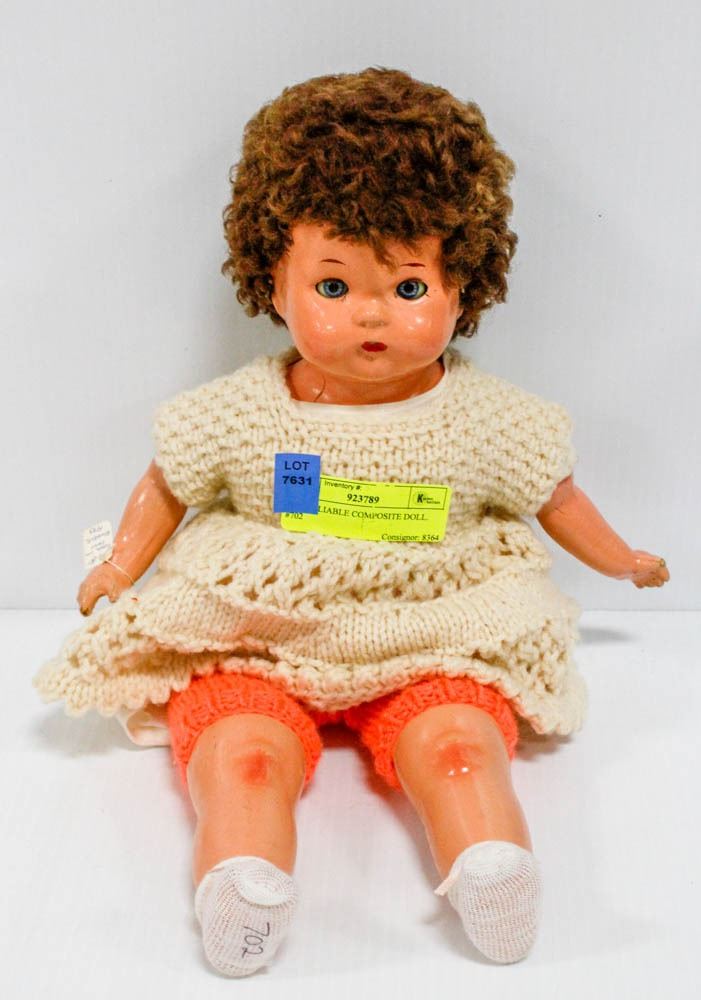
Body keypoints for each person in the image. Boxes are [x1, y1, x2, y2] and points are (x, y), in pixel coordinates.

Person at [33, 67, 669, 977]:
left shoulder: (490, 422)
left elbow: (554, 497)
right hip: (257, 626)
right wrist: (117, 564)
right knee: (242, 753)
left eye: (407, 289)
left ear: (463, 289)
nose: (371, 314)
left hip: (433, 623)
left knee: (458, 743)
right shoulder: (239, 415)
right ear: (273, 282)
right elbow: (169, 483)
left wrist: (622, 559)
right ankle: (241, 883)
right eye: (332, 286)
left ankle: (493, 868)